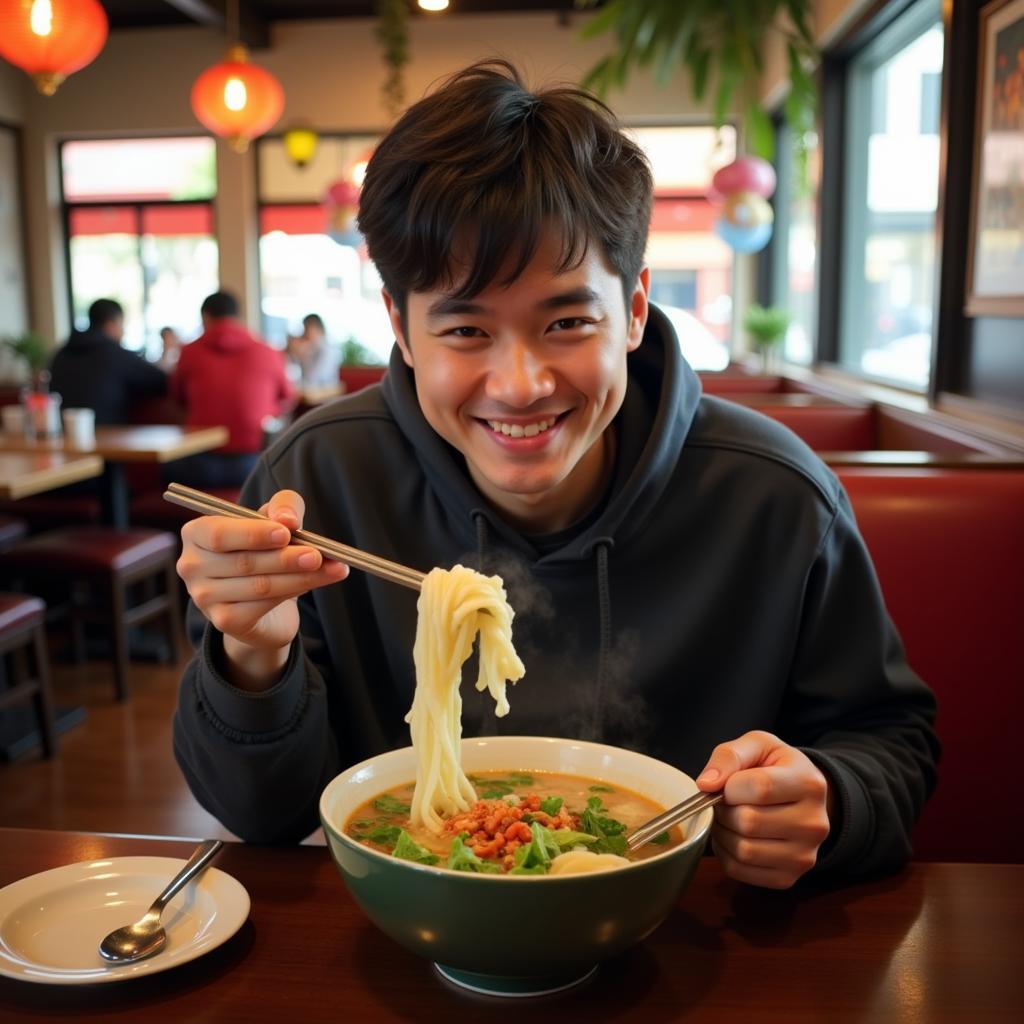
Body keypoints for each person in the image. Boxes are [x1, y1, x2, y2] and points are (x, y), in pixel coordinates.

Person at [173, 62, 938, 888]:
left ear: (636, 307)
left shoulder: (776, 497)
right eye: (465, 330)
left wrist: (832, 797)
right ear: (400, 326)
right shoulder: (320, 479)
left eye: (568, 320)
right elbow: (264, 817)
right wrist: (253, 655)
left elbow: (889, 738)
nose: (521, 383)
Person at [169, 291, 295, 489]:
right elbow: (288, 397)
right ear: (238, 316)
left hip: (198, 467)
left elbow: (177, 398)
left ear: (205, 317)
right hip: (253, 467)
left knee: (166, 469)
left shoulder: (189, 352)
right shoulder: (268, 350)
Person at [48, 298, 167, 424]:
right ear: (110, 326)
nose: (123, 332)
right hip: (110, 438)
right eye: (122, 325)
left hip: (62, 439)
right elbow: (162, 382)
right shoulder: (115, 354)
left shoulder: (60, 354)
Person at [286, 313, 339, 388]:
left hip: (325, 394)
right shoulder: (309, 348)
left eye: (306, 328)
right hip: (311, 392)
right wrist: (293, 354)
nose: (303, 333)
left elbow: (312, 378)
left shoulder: (326, 350)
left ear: (317, 329)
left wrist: (300, 354)